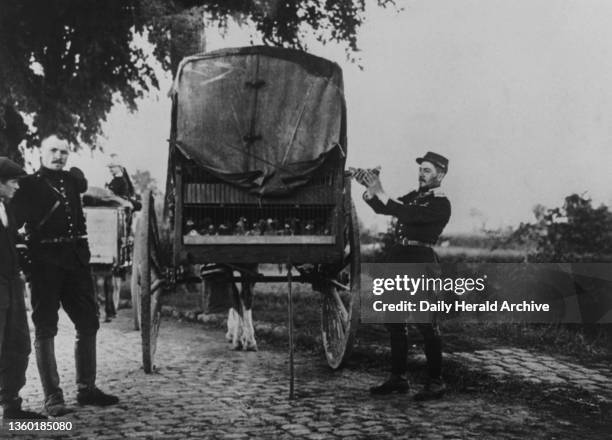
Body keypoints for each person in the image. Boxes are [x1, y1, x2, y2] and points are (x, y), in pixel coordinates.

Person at [12, 135, 119, 416]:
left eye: (63, 151)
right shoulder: (28, 185)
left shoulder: (72, 181)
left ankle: (87, 389)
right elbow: (13, 225)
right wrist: (24, 253)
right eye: (53, 151)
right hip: (45, 265)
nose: (58, 156)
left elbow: (83, 193)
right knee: (46, 327)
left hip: (75, 263)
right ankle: (52, 397)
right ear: (41, 153)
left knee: (88, 323)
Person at [355, 151, 451, 401]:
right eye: (421, 169)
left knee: (426, 323)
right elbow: (384, 207)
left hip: (421, 262)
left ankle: (436, 381)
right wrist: (369, 189)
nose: (421, 174)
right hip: (399, 259)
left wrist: (380, 188)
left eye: (427, 170)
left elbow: (405, 214)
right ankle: (398, 378)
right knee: (395, 321)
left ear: (440, 175)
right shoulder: (415, 196)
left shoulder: (441, 203)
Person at [0, 157, 47, 420]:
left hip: (12, 284)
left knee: (18, 343)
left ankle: (12, 406)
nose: (17, 187)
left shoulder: (8, 208)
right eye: (13, 182)